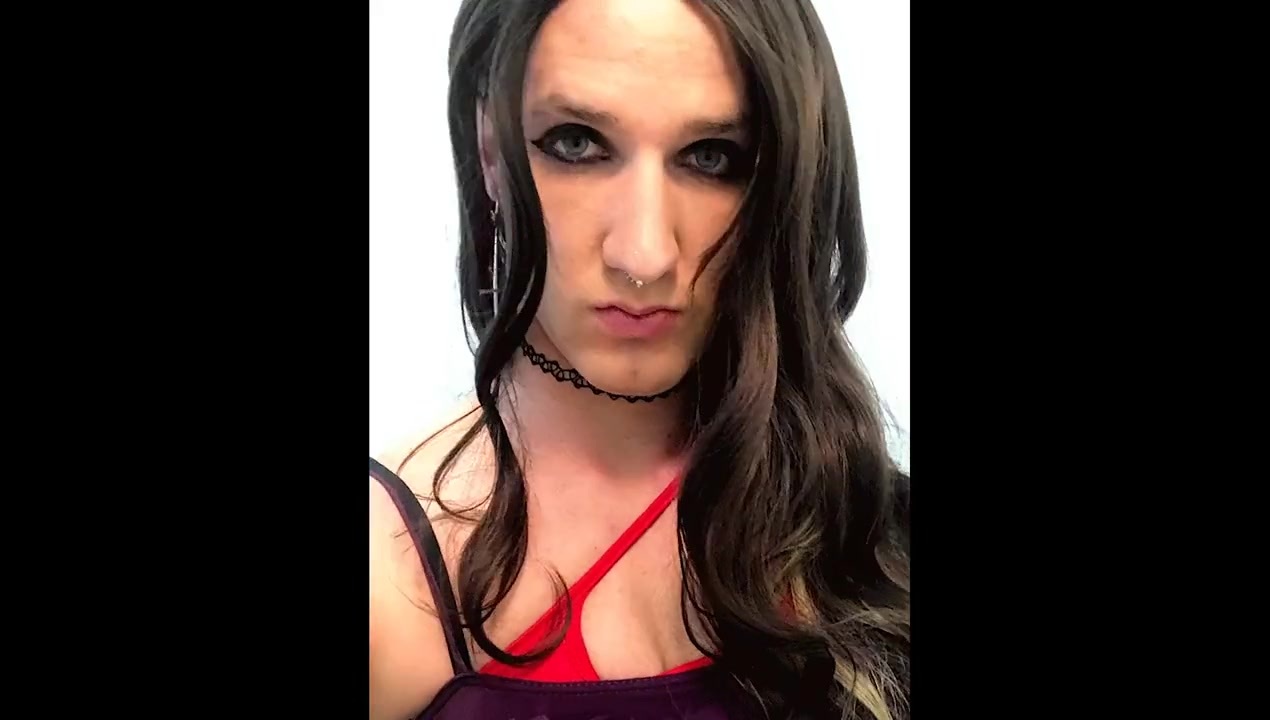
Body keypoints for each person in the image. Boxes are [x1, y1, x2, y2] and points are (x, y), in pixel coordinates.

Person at [368, 0, 910, 717]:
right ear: (490, 150)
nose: (644, 256)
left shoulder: (859, 517)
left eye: (712, 157)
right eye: (575, 143)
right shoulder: (386, 577)